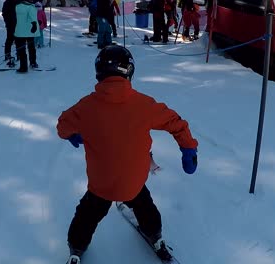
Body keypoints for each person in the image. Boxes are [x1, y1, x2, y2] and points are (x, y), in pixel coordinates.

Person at [56, 45, 199, 264]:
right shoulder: (145, 104)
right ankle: (156, 237)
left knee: (86, 215)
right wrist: (188, 148)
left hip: (100, 185)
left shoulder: (85, 107)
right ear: (130, 71)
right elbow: (176, 123)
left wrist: (73, 135)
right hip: (134, 182)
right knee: (144, 206)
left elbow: (62, 126)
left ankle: (76, 248)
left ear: (99, 72)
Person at [14, 0, 40, 73]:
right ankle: (33, 63)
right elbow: (33, 18)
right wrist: (35, 25)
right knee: (31, 48)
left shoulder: (17, 6)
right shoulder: (31, 7)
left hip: (20, 31)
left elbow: (14, 18)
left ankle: (24, 67)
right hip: (30, 31)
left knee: (22, 50)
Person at [2, 0, 19, 67]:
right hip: (13, 24)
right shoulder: (8, 2)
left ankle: (11, 55)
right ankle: (9, 55)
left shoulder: (7, 2)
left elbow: (4, 13)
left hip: (14, 24)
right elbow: (4, 13)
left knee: (11, 39)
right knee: (13, 39)